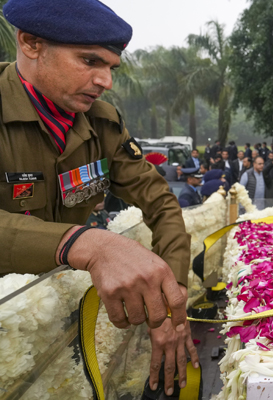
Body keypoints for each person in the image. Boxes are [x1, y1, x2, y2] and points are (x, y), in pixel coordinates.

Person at [0, 0, 199, 395]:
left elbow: (160, 202)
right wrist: (83, 242)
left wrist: (170, 305)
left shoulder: (102, 122)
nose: (106, 80)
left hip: (63, 328)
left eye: (111, 67)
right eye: (90, 61)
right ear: (30, 43)